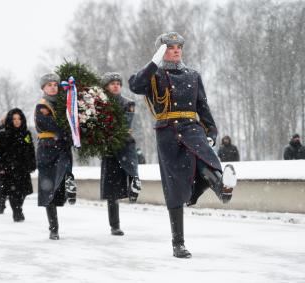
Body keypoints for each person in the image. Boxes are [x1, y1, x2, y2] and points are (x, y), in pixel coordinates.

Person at [129, 32, 237, 258]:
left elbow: (202, 105)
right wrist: (154, 60)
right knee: (175, 186)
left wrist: (212, 130)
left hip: (192, 126)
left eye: (179, 46)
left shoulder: (193, 75)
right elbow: (136, 86)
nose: (176, 50)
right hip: (167, 130)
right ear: (161, 51)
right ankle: (178, 243)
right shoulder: (154, 74)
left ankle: (223, 189)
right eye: (170, 47)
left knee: (206, 159)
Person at [99, 72, 142, 236]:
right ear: (106, 87)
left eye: (118, 82)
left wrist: (106, 128)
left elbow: (124, 125)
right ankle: (114, 225)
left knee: (132, 174)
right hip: (109, 151)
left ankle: (134, 188)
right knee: (112, 192)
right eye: (112, 83)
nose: (116, 85)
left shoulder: (127, 103)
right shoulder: (98, 105)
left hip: (125, 147)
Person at [35, 73, 77, 240]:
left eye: (55, 84)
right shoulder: (42, 105)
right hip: (47, 147)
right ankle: (54, 228)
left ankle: (69, 185)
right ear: (43, 88)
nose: (53, 87)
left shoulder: (66, 103)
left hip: (63, 146)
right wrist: (67, 131)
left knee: (64, 170)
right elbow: (47, 124)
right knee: (48, 189)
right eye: (49, 85)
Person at [0, 108, 36, 222]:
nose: (17, 121)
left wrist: (32, 163)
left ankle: (18, 208)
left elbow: (31, 149)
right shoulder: (3, 134)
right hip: (9, 168)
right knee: (13, 192)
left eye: (19, 119)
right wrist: (0, 167)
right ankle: (16, 212)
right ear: (10, 120)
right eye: (14, 119)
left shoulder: (26, 133)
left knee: (23, 191)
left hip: (23, 167)